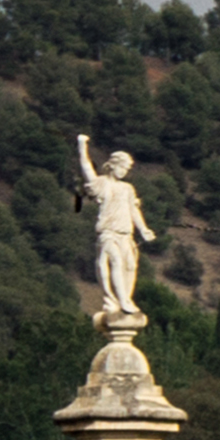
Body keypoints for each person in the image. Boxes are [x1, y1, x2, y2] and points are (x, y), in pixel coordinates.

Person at [76, 134, 153, 321]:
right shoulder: (102, 183)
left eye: (127, 169)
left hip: (126, 234)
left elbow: (133, 211)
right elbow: (87, 167)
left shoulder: (127, 188)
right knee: (115, 261)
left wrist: (143, 229)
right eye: (123, 167)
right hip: (108, 232)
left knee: (130, 266)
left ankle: (123, 298)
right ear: (113, 165)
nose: (125, 172)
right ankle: (120, 300)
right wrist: (81, 145)